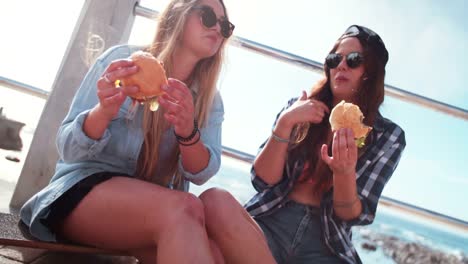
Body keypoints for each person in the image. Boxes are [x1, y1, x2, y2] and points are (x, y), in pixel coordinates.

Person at [20, 0, 235, 263]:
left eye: (225, 26)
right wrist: (105, 111)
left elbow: (201, 173)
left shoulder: (210, 101)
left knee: (213, 252)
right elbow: (68, 148)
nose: (217, 29)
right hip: (80, 195)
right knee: (185, 206)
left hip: (151, 216)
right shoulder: (121, 62)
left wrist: (187, 130)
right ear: (178, 14)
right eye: (208, 17)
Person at [200, 25, 406, 264]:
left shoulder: (387, 136)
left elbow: (350, 215)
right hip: (271, 222)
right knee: (214, 200)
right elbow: (262, 180)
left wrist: (344, 172)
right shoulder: (299, 107)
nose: (341, 65)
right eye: (334, 58)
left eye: (353, 60)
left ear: (371, 72)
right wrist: (285, 124)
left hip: (326, 244)